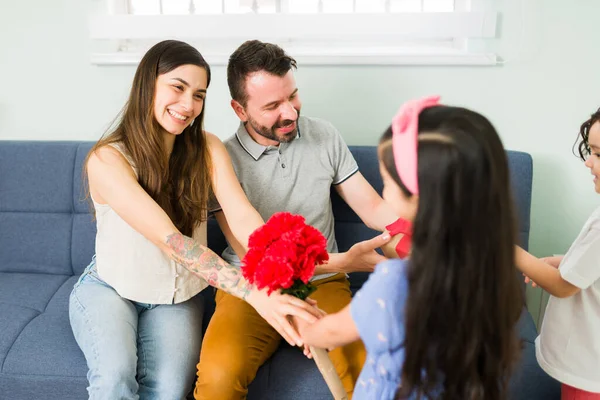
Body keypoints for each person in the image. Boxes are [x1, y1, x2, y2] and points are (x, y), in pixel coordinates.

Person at [68, 39, 319, 400]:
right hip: (111, 288)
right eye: (178, 87)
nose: (188, 105)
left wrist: (284, 286)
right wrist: (254, 294)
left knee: (170, 392)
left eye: (199, 95)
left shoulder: (209, 148)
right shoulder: (107, 160)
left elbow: (244, 217)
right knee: (114, 378)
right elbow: (171, 240)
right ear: (147, 85)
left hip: (178, 297)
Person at [194, 40, 398, 399]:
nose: (290, 112)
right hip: (252, 286)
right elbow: (252, 248)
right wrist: (348, 261)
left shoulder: (324, 135)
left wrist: (422, 233)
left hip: (324, 279)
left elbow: (372, 207)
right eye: (272, 106)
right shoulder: (222, 159)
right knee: (217, 377)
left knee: (367, 365)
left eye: (293, 96)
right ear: (239, 109)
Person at [299, 96, 525, 400]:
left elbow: (330, 333)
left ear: (421, 198)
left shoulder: (396, 281)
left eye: (387, 182)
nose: (383, 190)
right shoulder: (494, 272)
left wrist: (304, 322)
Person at [516, 107, 600, 399]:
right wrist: (563, 261)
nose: (588, 162)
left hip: (587, 372)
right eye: (590, 151)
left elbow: (563, 286)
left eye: (599, 155)